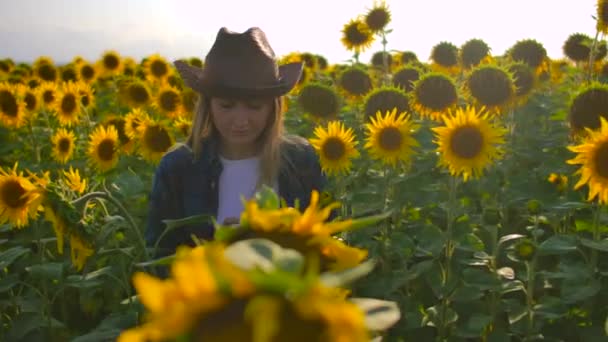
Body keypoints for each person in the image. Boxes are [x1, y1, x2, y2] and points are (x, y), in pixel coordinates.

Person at [144, 27, 327, 259]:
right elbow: (159, 256)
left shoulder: (300, 160)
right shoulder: (179, 168)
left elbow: (324, 243)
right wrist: (218, 253)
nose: (241, 121)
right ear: (208, 105)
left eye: (254, 106)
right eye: (226, 106)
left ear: (273, 107)